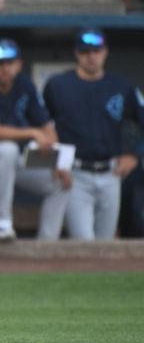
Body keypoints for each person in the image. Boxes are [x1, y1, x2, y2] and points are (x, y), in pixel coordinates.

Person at [43, 29, 144, 240]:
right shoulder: (58, 85)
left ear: (105, 52)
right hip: (75, 173)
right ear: (77, 54)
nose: (91, 56)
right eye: (85, 51)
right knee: (85, 242)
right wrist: (56, 161)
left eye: (96, 51)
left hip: (111, 173)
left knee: (105, 245)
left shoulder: (121, 86)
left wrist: (135, 155)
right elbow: (42, 125)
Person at [0, 38, 70, 242]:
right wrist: (32, 133)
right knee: (7, 149)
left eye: (9, 63)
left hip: (10, 161)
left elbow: (46, 126)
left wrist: (59, 161)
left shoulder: (24, 85)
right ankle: (2, 225)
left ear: (19, 64)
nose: (5, 69)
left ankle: (47, 242)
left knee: (60, 181)